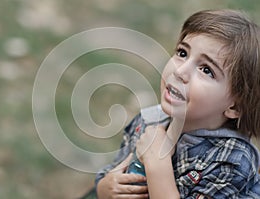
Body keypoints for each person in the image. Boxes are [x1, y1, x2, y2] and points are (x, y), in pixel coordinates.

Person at [95, 9, 260, 199]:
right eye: (182, 53)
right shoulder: (147, 121)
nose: (180, 71)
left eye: (206, 70)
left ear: (235, 107)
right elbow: (113, 171)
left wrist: (158, 163)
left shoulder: (232, 160)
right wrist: (105, 187)